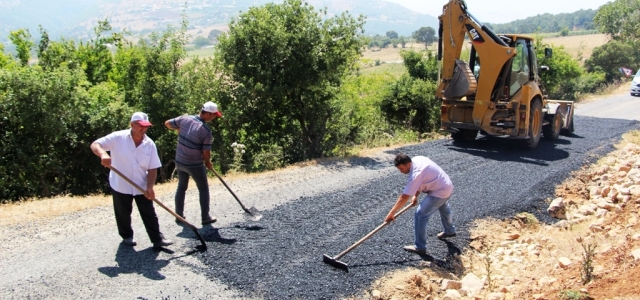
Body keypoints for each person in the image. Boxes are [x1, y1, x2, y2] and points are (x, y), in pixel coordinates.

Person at [90, 112, 173, 249]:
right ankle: (127, 236)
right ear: (132, 124)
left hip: (141, 184)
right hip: (120, 184)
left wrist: (150, 186)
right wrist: (103, 154)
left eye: (146, 126)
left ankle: (157, 239)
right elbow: (95, 144)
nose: (143, 129)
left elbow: (153, 168)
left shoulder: (149, 144)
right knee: (123, 213)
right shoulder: (118, 138)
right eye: (140, 126)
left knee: (149, 213)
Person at [385, 153, 456, 255]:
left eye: (402, 169)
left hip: (440, 191)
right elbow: (422, 180)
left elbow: (404, 197)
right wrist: (415, 196)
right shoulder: (417, 159)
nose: (401, 172)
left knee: (420, 214)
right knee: (443, 205)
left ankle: (420, 247)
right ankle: (450, 231)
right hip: (446, 185)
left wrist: (392, 212)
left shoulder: (415, 173)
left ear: (408, 164)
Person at [164, 101, 222, 225]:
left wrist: (178, 129)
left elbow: (167, 123)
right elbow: (206, 152)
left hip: (180, 161)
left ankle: (179, 215)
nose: (214, 118)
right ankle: (205, 217)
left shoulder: (185, 119)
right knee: (203, 189)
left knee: (181, 187)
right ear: (206, 114)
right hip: (194, 164)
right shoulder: (206, 131)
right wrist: (207, 162)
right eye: (213, 115)